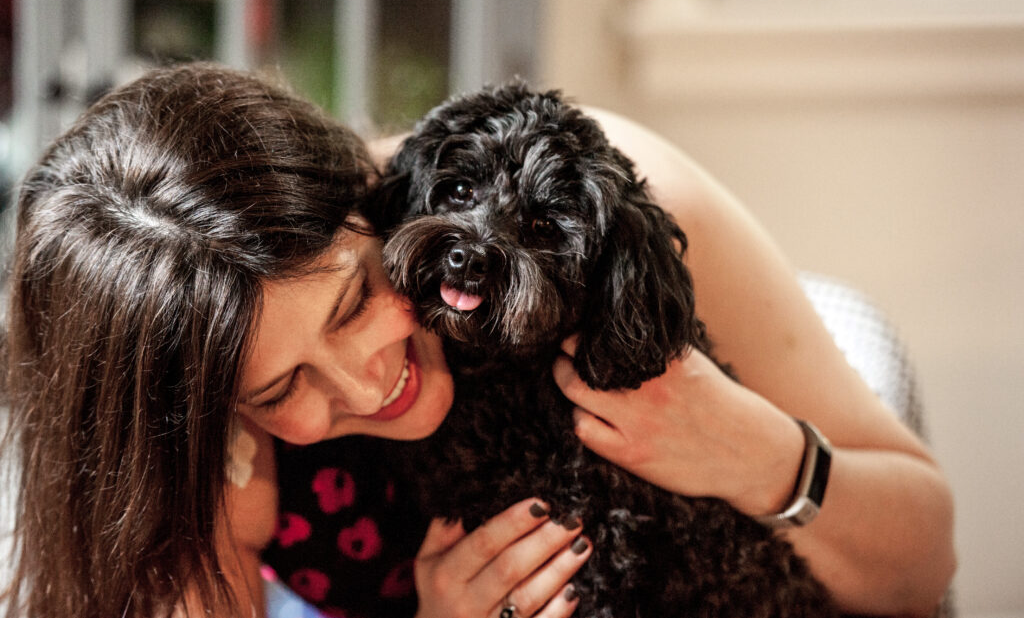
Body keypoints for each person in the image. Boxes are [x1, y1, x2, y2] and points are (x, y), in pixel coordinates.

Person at [1, 63, 955, 618]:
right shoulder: (193, 458)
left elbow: (928, 565)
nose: (367, 383)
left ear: (372, 200)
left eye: (353, 302)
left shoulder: (609, 212)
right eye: (280, 385)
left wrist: (750, 451)